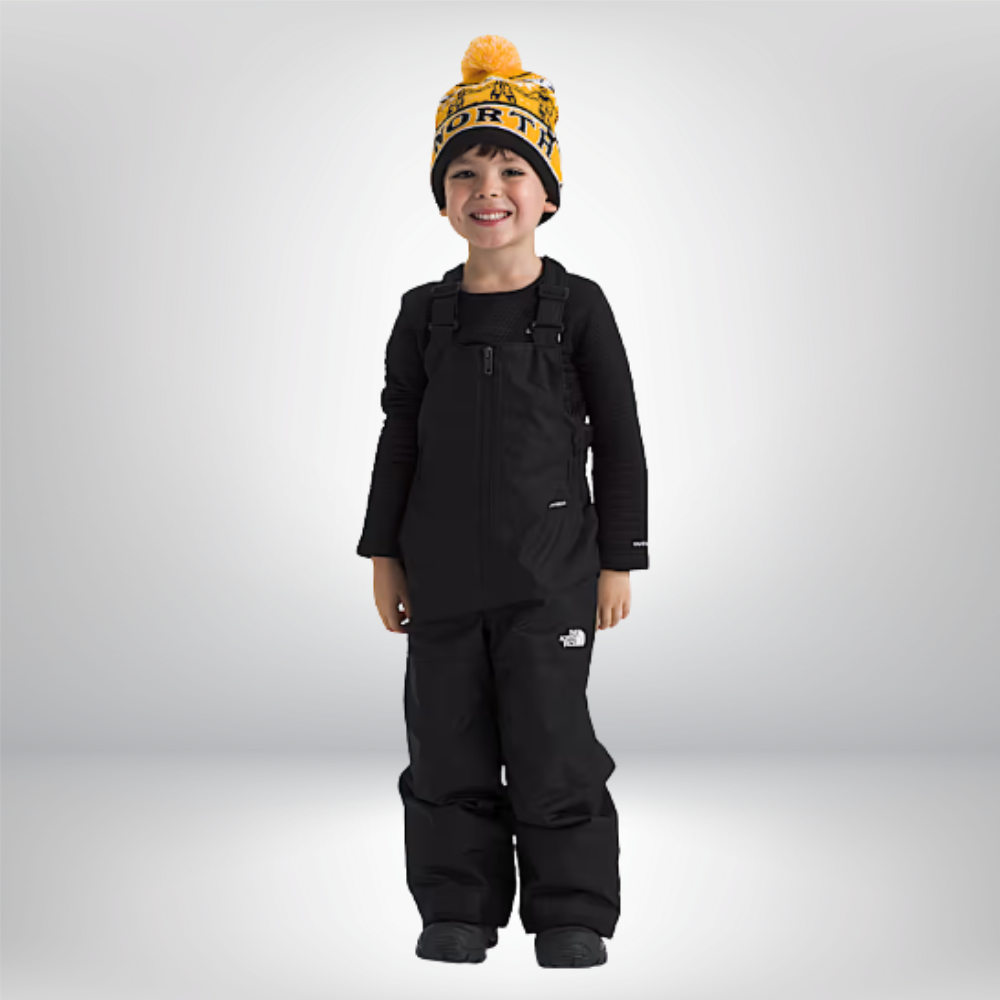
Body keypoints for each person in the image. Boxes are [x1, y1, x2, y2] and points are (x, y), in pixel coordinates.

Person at [356, 35, 649, 968]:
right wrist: (383, 554)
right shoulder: (423, 314)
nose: (490, 188)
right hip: (439, 577)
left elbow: (622, 440)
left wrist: (620, 559)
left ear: (547, 193)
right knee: (446, 745)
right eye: (466, 172)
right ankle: (457, 906)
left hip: (552, 579)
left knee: (553, 743)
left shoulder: (580, 308)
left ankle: (572, 912)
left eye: (513, 168)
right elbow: (400, 438)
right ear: (443, 198)